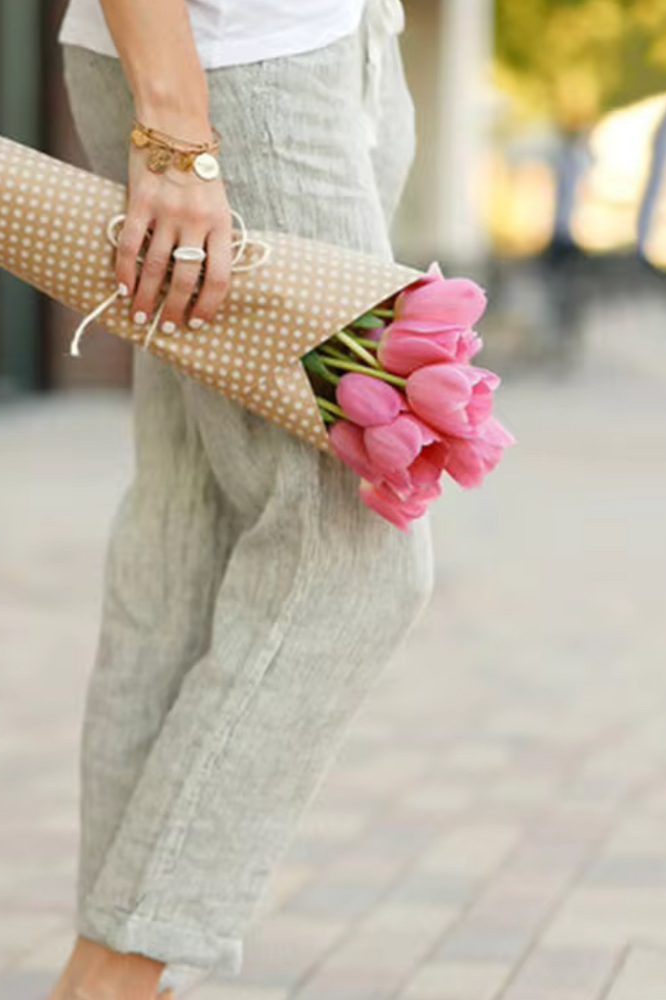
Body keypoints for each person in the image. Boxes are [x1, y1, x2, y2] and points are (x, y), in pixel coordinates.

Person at [49, 0, 434, 997]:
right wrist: (177, 132)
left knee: (190, 527)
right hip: (238, 87)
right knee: (354, 547)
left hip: (324, 58)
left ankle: (125, 972)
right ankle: (119, 973)